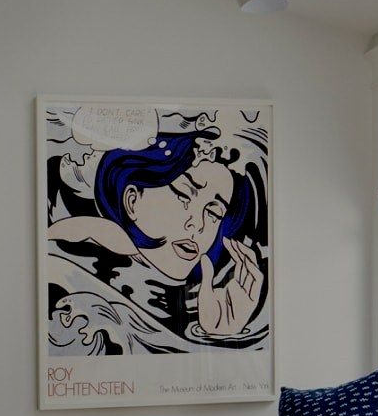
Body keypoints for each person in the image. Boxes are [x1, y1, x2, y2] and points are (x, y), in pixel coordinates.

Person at [47, 129, 264, 342]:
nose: (198, 225)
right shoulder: (73, 268)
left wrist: (220, 332)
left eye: (214, 213)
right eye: (183, 194)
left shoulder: (195, 300)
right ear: (132, 200)